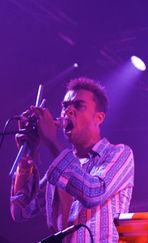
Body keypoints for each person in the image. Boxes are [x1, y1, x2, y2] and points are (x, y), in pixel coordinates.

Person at [10, 77, 135, 242]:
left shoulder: (119, 153)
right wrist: (27, 156)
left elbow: (92, 193)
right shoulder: (57, 170)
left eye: (78, 105)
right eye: (65, 106)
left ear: (99, 118)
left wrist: (52, 141)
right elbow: (20, 212)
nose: (68, 111)